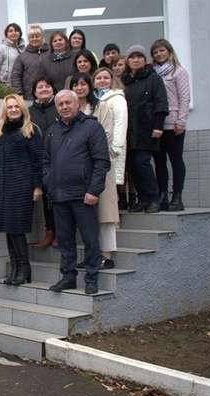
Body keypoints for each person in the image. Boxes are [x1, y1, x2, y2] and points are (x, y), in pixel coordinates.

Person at [43, 90, 110, 295]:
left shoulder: (92, 127)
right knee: (65, 240)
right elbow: (45, 162)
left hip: (84, 196)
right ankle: (68, 277)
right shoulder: (52, 131)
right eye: (60, 104)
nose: (64, 106)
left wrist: (94, 190)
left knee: (90, 239)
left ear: (77, 104)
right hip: (59, 196)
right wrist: (49, 184)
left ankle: (91, 278)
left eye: (68, 103)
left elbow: (101, 162)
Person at [0, 94, 43, 286]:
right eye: (9, 107)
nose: (12, 110)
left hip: (21, 187)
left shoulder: (30, 130)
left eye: (16, 106)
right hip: (1, 187)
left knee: (17, 229)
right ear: (5, 110)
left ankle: (24, 268)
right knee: (8, 230)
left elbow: (38, 161)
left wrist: (37, 186)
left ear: (21, 108)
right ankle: (16, 268)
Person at [72, 73, 119, 270]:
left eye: (83, 84)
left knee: (105, 213)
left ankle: (106, 255)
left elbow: (106, 134)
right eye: (76, 84)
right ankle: (91, 254)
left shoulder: (102, 107)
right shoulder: (71, 109)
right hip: (79, 169)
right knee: (85, 214)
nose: (80, 87)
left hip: (100, 164)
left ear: (90, 86)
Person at [123, 45, 168, 213]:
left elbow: (161, 102)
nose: (135, 60)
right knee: (133, 166)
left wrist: (158, 125)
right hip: (130, 131)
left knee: (142, 163)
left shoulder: (154, 78)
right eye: (132, 57)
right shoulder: (125, 81)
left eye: (139, 56)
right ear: (127, 61)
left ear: (145, 60)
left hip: (147, 129)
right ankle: (143, 199)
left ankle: (153, 198)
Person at [94, 67, 128, 267]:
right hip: (95, 158)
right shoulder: (95, 100)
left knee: (109, 202)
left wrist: (115, 148)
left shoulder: (117, 99)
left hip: (110, 153)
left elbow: (121, 124)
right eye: (98, 77)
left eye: (106, 77)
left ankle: (108, 252)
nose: (102, 80)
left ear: (112, 80)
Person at [151, 39, 190, 211]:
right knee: (159, 162)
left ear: (169, 51)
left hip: (173, 124)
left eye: (161, 51)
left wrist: (181, 120)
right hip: (157, 124)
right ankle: (162, 195)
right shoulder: (153, 73)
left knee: (176, 160)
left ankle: (177, 196)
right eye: (155, 52)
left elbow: (184, 97)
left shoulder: (178, 71)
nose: (159, 54)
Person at [28, 77, 60, 248]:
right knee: (47, 199)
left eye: (47, 85)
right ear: (34, 92)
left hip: (61, 159)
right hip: (40, 161)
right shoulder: (29, 112)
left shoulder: (59, 107)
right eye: (40, 87)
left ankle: (61, 233)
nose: (44, 89)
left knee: (59, 198)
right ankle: (50, 231)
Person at [10, 24, 49, 100]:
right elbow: (16, 77)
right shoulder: (22, 57)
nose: (34, 39)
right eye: (32, 37)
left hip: (50, 95)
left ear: (42, 37)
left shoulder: (51, 53)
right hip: (29, 96)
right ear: (28, 38)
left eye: (37, 36)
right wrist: (19, 93)